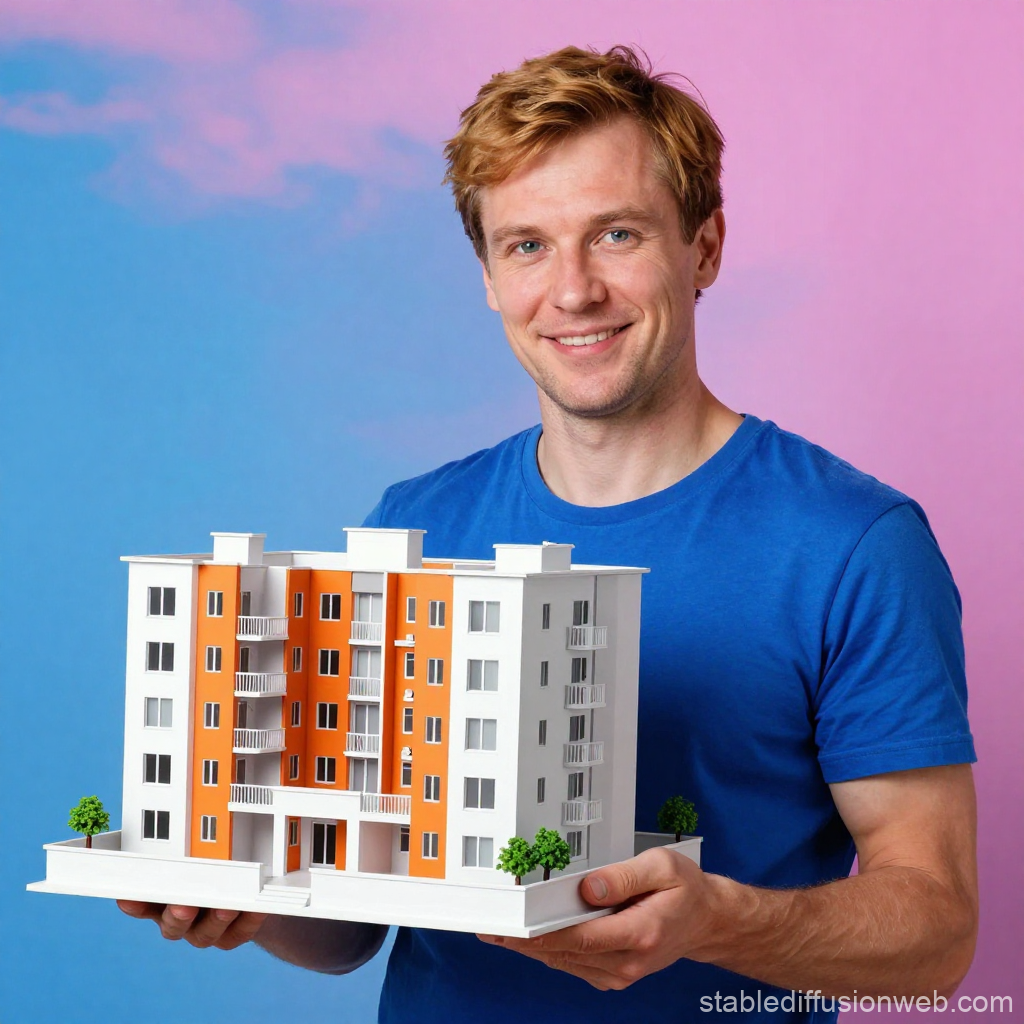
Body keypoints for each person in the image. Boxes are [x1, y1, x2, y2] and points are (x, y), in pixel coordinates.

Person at [119, 46, 978, 1022]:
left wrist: (714, 921)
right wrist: (251, 894)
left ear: (704, 247)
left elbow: (937, 938)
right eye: (526, 244)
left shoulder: (853, 544)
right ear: (487, 275)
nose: (571, 292)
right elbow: (351, 929)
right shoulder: (415, 522)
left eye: (614, 234)